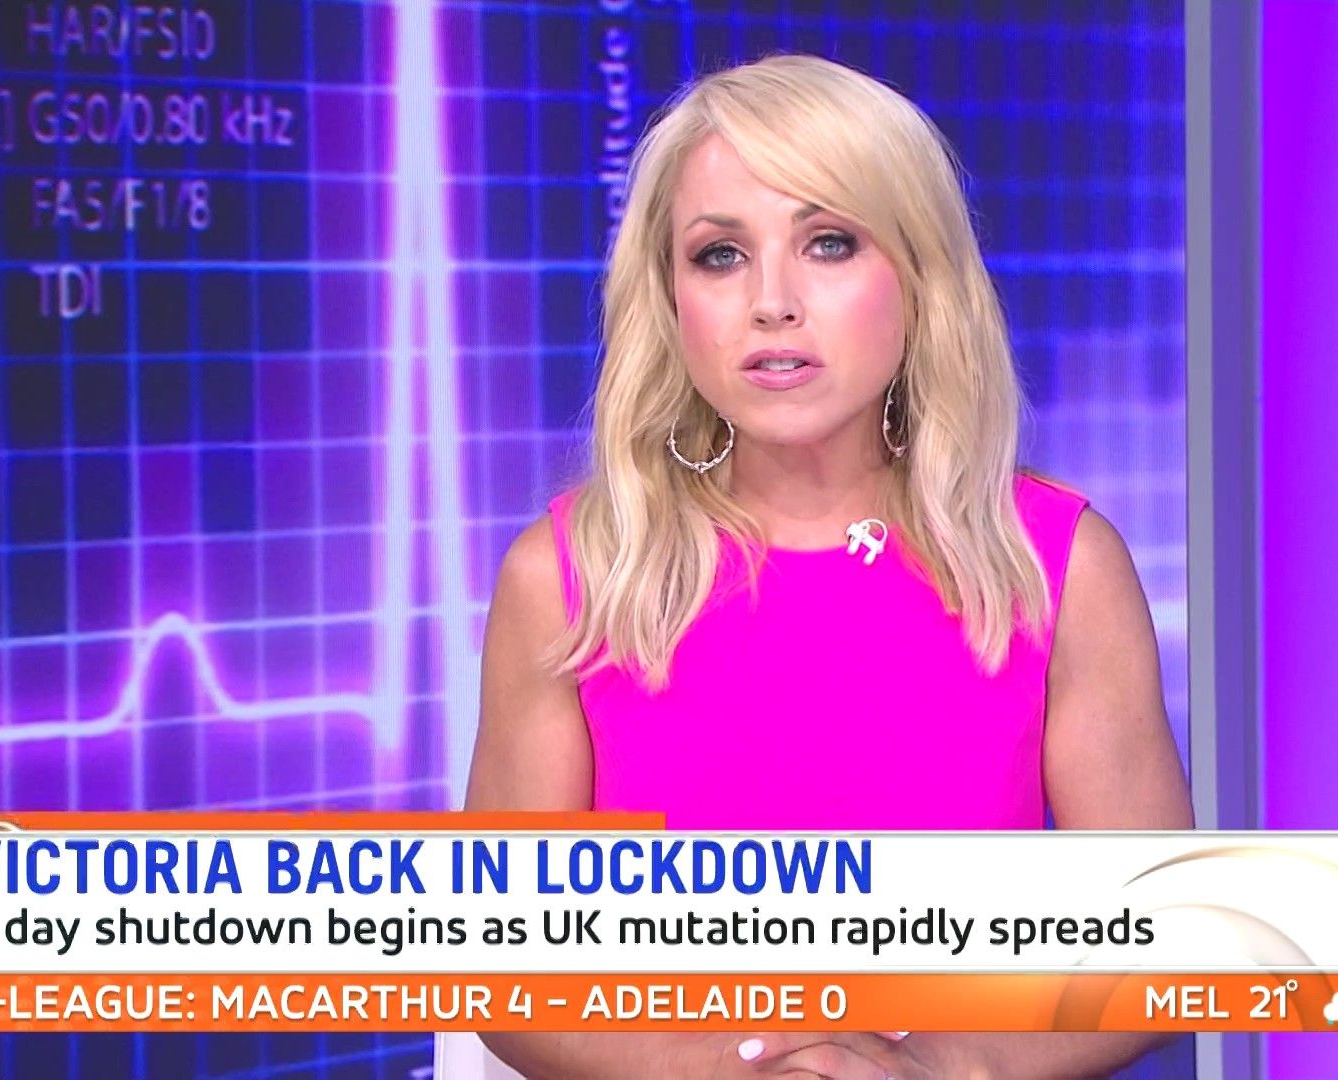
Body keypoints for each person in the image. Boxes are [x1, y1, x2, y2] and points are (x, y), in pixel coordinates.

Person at [464, 52, 1192, 1078]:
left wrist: (938, 1069)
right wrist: (736, 1073)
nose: (772, 302)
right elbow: (506, 973)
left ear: (921, 277)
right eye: (720, 255)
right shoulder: (569, 578)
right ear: (670, 300)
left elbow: (1160, 948)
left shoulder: (1058, 567)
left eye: (829, 243)